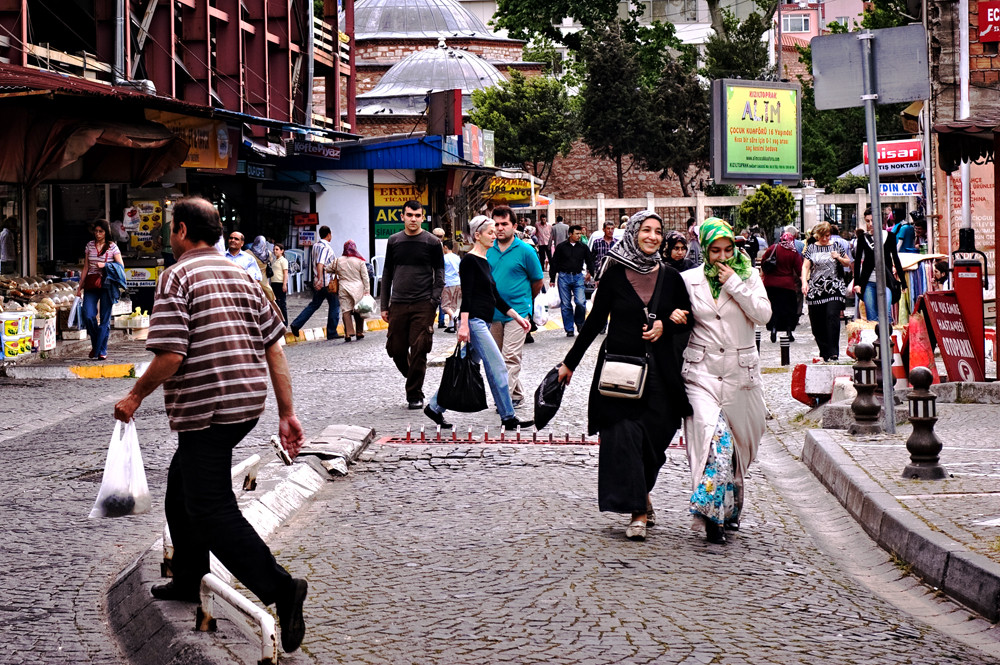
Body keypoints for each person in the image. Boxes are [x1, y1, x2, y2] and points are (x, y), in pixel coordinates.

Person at [112, 197, 308, 655]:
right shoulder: (245, 275)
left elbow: (171, 355)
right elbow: (275, 348)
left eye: (170, 228)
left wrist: (134, 396)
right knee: (181, 489)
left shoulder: (176, 276)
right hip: (245, 406)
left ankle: (282, 590)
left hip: (207, 410)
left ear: (181, 230)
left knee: (210, 509)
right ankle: (187, 578)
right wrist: (286, 412)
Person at [557, 211, 692, 542]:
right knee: (625, 437)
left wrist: (668, 323)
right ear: (633, 234)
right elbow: (593, 323)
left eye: (658, 231)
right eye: (645, 230)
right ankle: (638, 512)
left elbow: (689, 319)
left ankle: (642, 491)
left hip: (661, 374)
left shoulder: (672, 278)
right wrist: (569, 363)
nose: (652, 236)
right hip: (621, 373)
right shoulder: (616, 276)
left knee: (656, 442)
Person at [681, 218, 771, 545]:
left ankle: (730, 506)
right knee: (713, 443)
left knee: (735, 451)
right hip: (700, 372)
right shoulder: (688, 280)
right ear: (704, 250)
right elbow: (678, 317)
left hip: (740, 374)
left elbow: (763, 315)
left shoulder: (749, 277)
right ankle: (710, 513)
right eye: (714, 251)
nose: (721, 257)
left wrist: (735, 284)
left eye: (727, 249)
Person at [424, 215, 533, 431]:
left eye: (495, 232)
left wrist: (518, 317)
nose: (495, 235)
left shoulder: (484, 261)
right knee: (498, 368)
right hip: (474, 323)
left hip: (483, 321)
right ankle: (508, 417)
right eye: (490, 232)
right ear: (477, 235)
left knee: (462, 366)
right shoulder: (469, 261)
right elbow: (469, 296)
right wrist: (463, 325)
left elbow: (494, 295)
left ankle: (435, 407)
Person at [380, 200, 445, 410]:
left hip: (423, 304)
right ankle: (413, 379)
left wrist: (433, 301)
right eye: (409, 215)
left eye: (417, 216)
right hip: (398, 303)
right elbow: (387, 273)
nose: (413, 219)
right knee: (396, 349)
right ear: (402, 217)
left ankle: (414, 394)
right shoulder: (393, 241)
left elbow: (440, 274)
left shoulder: (433, 242)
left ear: (422, 218)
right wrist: (384, 305)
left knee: (419, 349)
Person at [487, 206, 545, 408]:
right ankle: (517, 394)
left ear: (514, 226)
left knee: (510, 356)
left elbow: (537, 281)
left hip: (518, 313)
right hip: (493, 313)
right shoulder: (488, 249)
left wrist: (525, 304)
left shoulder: (526, 251)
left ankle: (504, 400)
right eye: (496, 224)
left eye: (504, 224)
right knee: (498, 358)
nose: (500, 228)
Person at [801, 222, 851, 362]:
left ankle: (833, 351)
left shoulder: (836, 246)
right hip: (816, 289)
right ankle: (824, 351)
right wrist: (804, 283)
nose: (825, 239)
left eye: (827, 236)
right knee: (817, 323)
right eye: (822, 236)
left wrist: (838, 257)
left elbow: (848, 262)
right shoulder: (811, 248)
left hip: (834, 287)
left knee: (831, 317)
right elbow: (805, 266)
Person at [77, 219, 125, 361]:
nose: (98, 234)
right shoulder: (89, 246)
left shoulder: (113, 247)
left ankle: (101, 350)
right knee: (88, 314)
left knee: (105, 319)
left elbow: (121, 266)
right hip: (91, 284)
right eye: (96, 231)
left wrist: (105, 265)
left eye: (101, 231)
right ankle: (97, 345)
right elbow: (85, 267)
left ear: (106, 232)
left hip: (107, 284)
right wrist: (79, 287)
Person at [854, 209, 906, 326]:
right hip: (868, 282)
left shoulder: (890, 236)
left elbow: (895, 259)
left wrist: (903, 282)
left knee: (886, 315)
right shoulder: (863, 238)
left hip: (886, 281)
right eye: (868, 221)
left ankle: (888, 343)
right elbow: (857, 262)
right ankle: (876, 343)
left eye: (873, 220)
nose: (871, 224)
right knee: (872, 318)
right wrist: (857, 283)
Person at [289, 226, 341, 340]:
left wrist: (317, 279)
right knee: (335, 305)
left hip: (319, 280)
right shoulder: (325, 247)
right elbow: (320, 263)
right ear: (328, 234)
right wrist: (321, 279)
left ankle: (296, 324)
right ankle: (332, 332)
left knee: (314, 305)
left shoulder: (316, 246)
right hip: (326, 282)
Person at [550, 224, 595, 337]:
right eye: (577, 234)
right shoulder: (561, 247)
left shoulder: (583, 247)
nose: (579, 236)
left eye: (580, 234)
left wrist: (592, 274)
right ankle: (569, 329)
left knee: (581, 302)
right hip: (563, 277)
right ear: (570, 234)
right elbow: (554, 262)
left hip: (578, 277)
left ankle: (580, 322)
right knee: (566, 305)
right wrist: (552, 278)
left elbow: (590, 261)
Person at [761, 232, 804, 343]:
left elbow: (763, 260)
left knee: (774, 308)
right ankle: (788, 331)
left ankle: (773, 329)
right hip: (787, 285)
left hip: (771, 284)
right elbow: (799, 269)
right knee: (788, 309)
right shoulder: (793, 252)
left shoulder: (773, 248)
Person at [334, 240, 371, 343]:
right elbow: (365, 277)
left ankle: (348, 333)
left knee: (346, 310)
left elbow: (328, 268)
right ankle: (359, 332)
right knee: (359, 309)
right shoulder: (359, 261)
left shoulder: (339, 260)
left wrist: (338, 271)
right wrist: (367, 290)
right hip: (357, 288)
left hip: (343, 287)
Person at [589, 220, 619, 334]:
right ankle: (602, 325)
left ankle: (613, 325)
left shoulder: (617, 243)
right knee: (602, 302)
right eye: (608, 229)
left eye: (612, 229)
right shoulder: (597, 243)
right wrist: (592, 274)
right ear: (604, 230)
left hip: (614, 276)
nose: (611, 231)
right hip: (600, 276)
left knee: (615, 301)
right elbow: (591, 259)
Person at [441, 238, 462, 332]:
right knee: (453, 305)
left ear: (445, 247)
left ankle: (454, 318)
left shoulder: (444, 258)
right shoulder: (457, 257)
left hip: (448, 283)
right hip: (458, 283)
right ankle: (451, 326)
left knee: (445, 306)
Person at [247, 235, 275, 302]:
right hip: (263, 279)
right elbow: (271, 261)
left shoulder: (247, 253)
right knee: (269, 298)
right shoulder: (268, 253)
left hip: (251, 278)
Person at [270, 243, 290, 323]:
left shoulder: (283, 260)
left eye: (277, 249)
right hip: (274, 283)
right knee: (276, 303)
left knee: (282, 303)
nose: (275, 251)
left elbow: (285, 273)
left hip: (280, 283)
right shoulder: (274, 260)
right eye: (274, 249)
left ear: (282, 251)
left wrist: (284, 284)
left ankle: (285, 322)